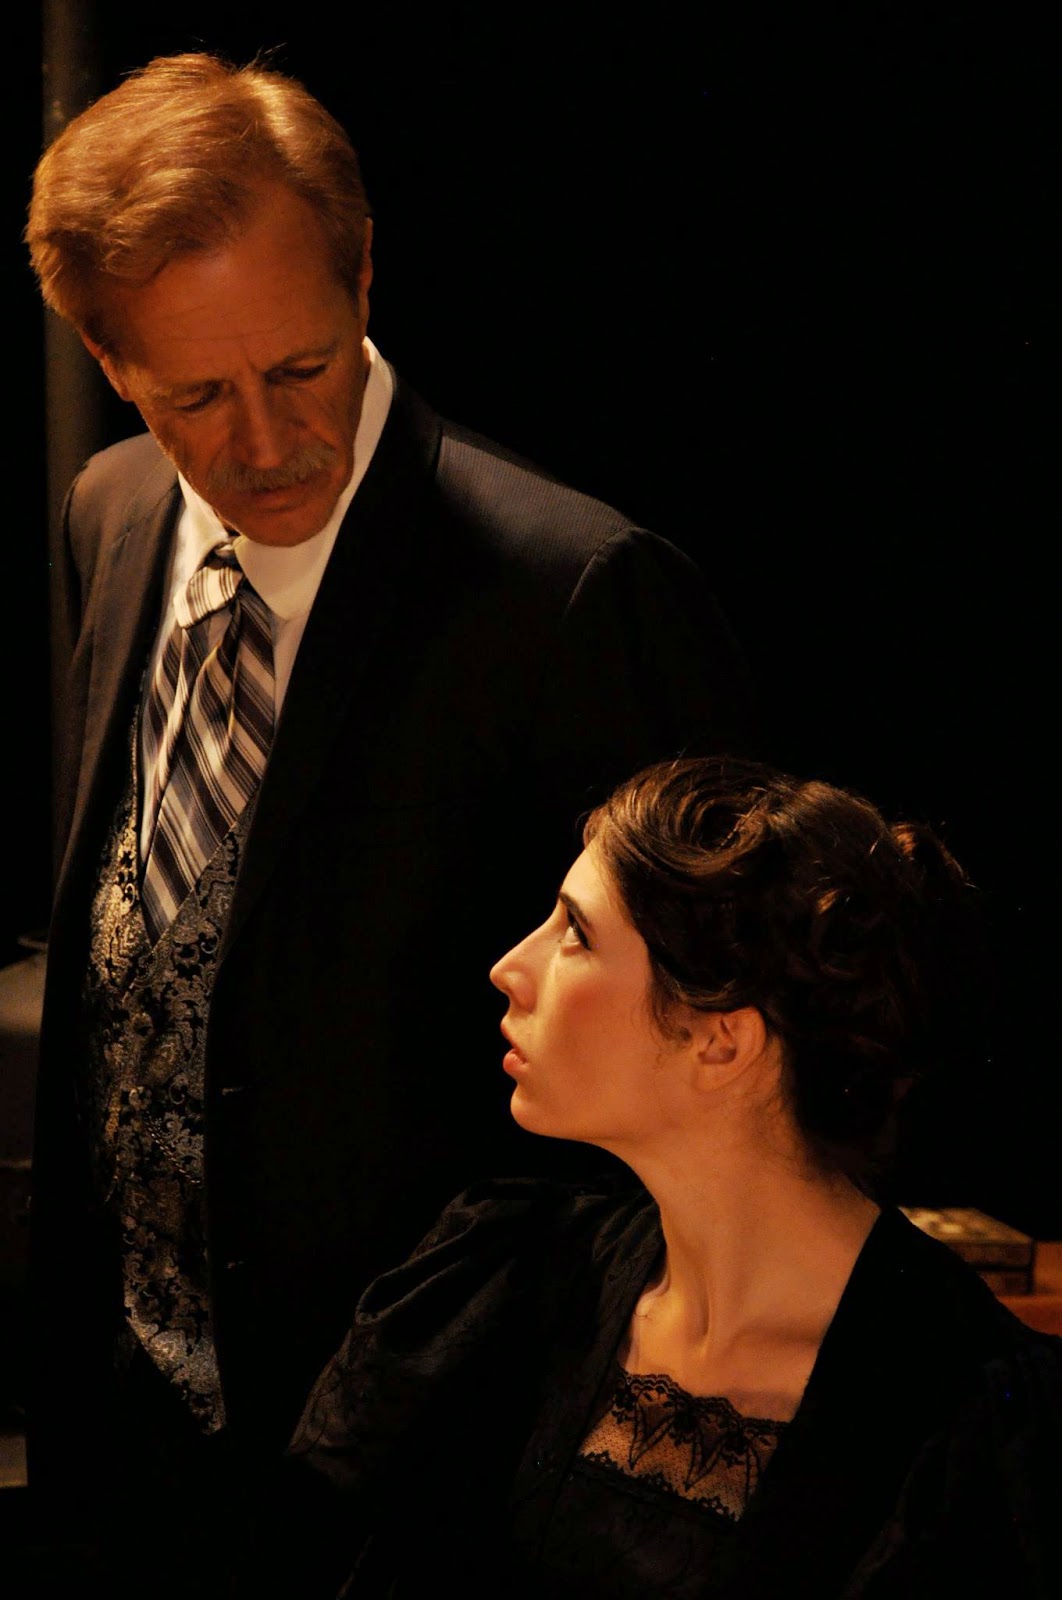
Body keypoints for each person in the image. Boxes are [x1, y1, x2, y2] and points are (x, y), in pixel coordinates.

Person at [21, 51, 753, 1596]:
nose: (265, 443)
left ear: (363, 278)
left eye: (303, 367)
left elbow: (685, 1095)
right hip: (129, 1442)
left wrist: (409, 1409)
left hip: (417, 1479)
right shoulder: (108, 511)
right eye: (194, 395)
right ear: (107, 356)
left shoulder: (570, 593)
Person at [286, 756, 1061, 1597]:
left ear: (719, 1040)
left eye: (576, 934)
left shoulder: (971, 1426)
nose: (509, 967)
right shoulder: (502, 1278)